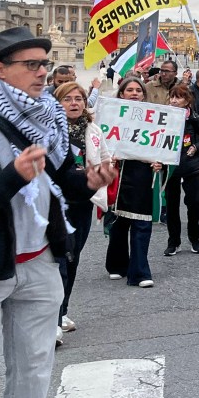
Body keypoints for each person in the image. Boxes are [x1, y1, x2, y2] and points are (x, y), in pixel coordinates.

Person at [0, 28, 115, 398]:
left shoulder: (46, 116)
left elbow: (60, 181)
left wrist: (88, 182)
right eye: (31, 65)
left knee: (33, 372)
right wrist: (11, 176)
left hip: (40, 261)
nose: (41, 73)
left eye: (44, 65)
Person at [53, 81, 112, 342]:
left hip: (84, 202)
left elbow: (105, 158)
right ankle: (52, 318)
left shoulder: (93, 129)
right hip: (57, 203)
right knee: (58, 260)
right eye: (68, 99)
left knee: (73, 257)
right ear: (58, 103)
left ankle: (63, 309)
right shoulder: (49, 131)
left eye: (79, 98)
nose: (74, 103)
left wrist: (105, 171)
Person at [104, 77, 158, 288]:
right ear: (121, 94)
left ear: (143, 95)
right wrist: (108, 156)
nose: (134, 93)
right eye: (130, 90)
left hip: (143, 174)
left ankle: (139, 272)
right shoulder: (111, 116)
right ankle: (117, 264)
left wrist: (160, 163)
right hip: (119, 173)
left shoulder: (155, 118)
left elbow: (163, 146)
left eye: (138, 90)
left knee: (142, 223)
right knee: (119, 223)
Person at [163, 84, 199, 256]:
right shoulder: (163, 115)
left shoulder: (194, 117)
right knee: (172, 206)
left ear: (187, 100)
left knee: (194, 203)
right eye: (172, 97)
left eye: (179, 97)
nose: (174, 101)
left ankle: (194, 237)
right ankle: (174, 241)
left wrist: (196, 146)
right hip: (170, 167)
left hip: (191, 167)